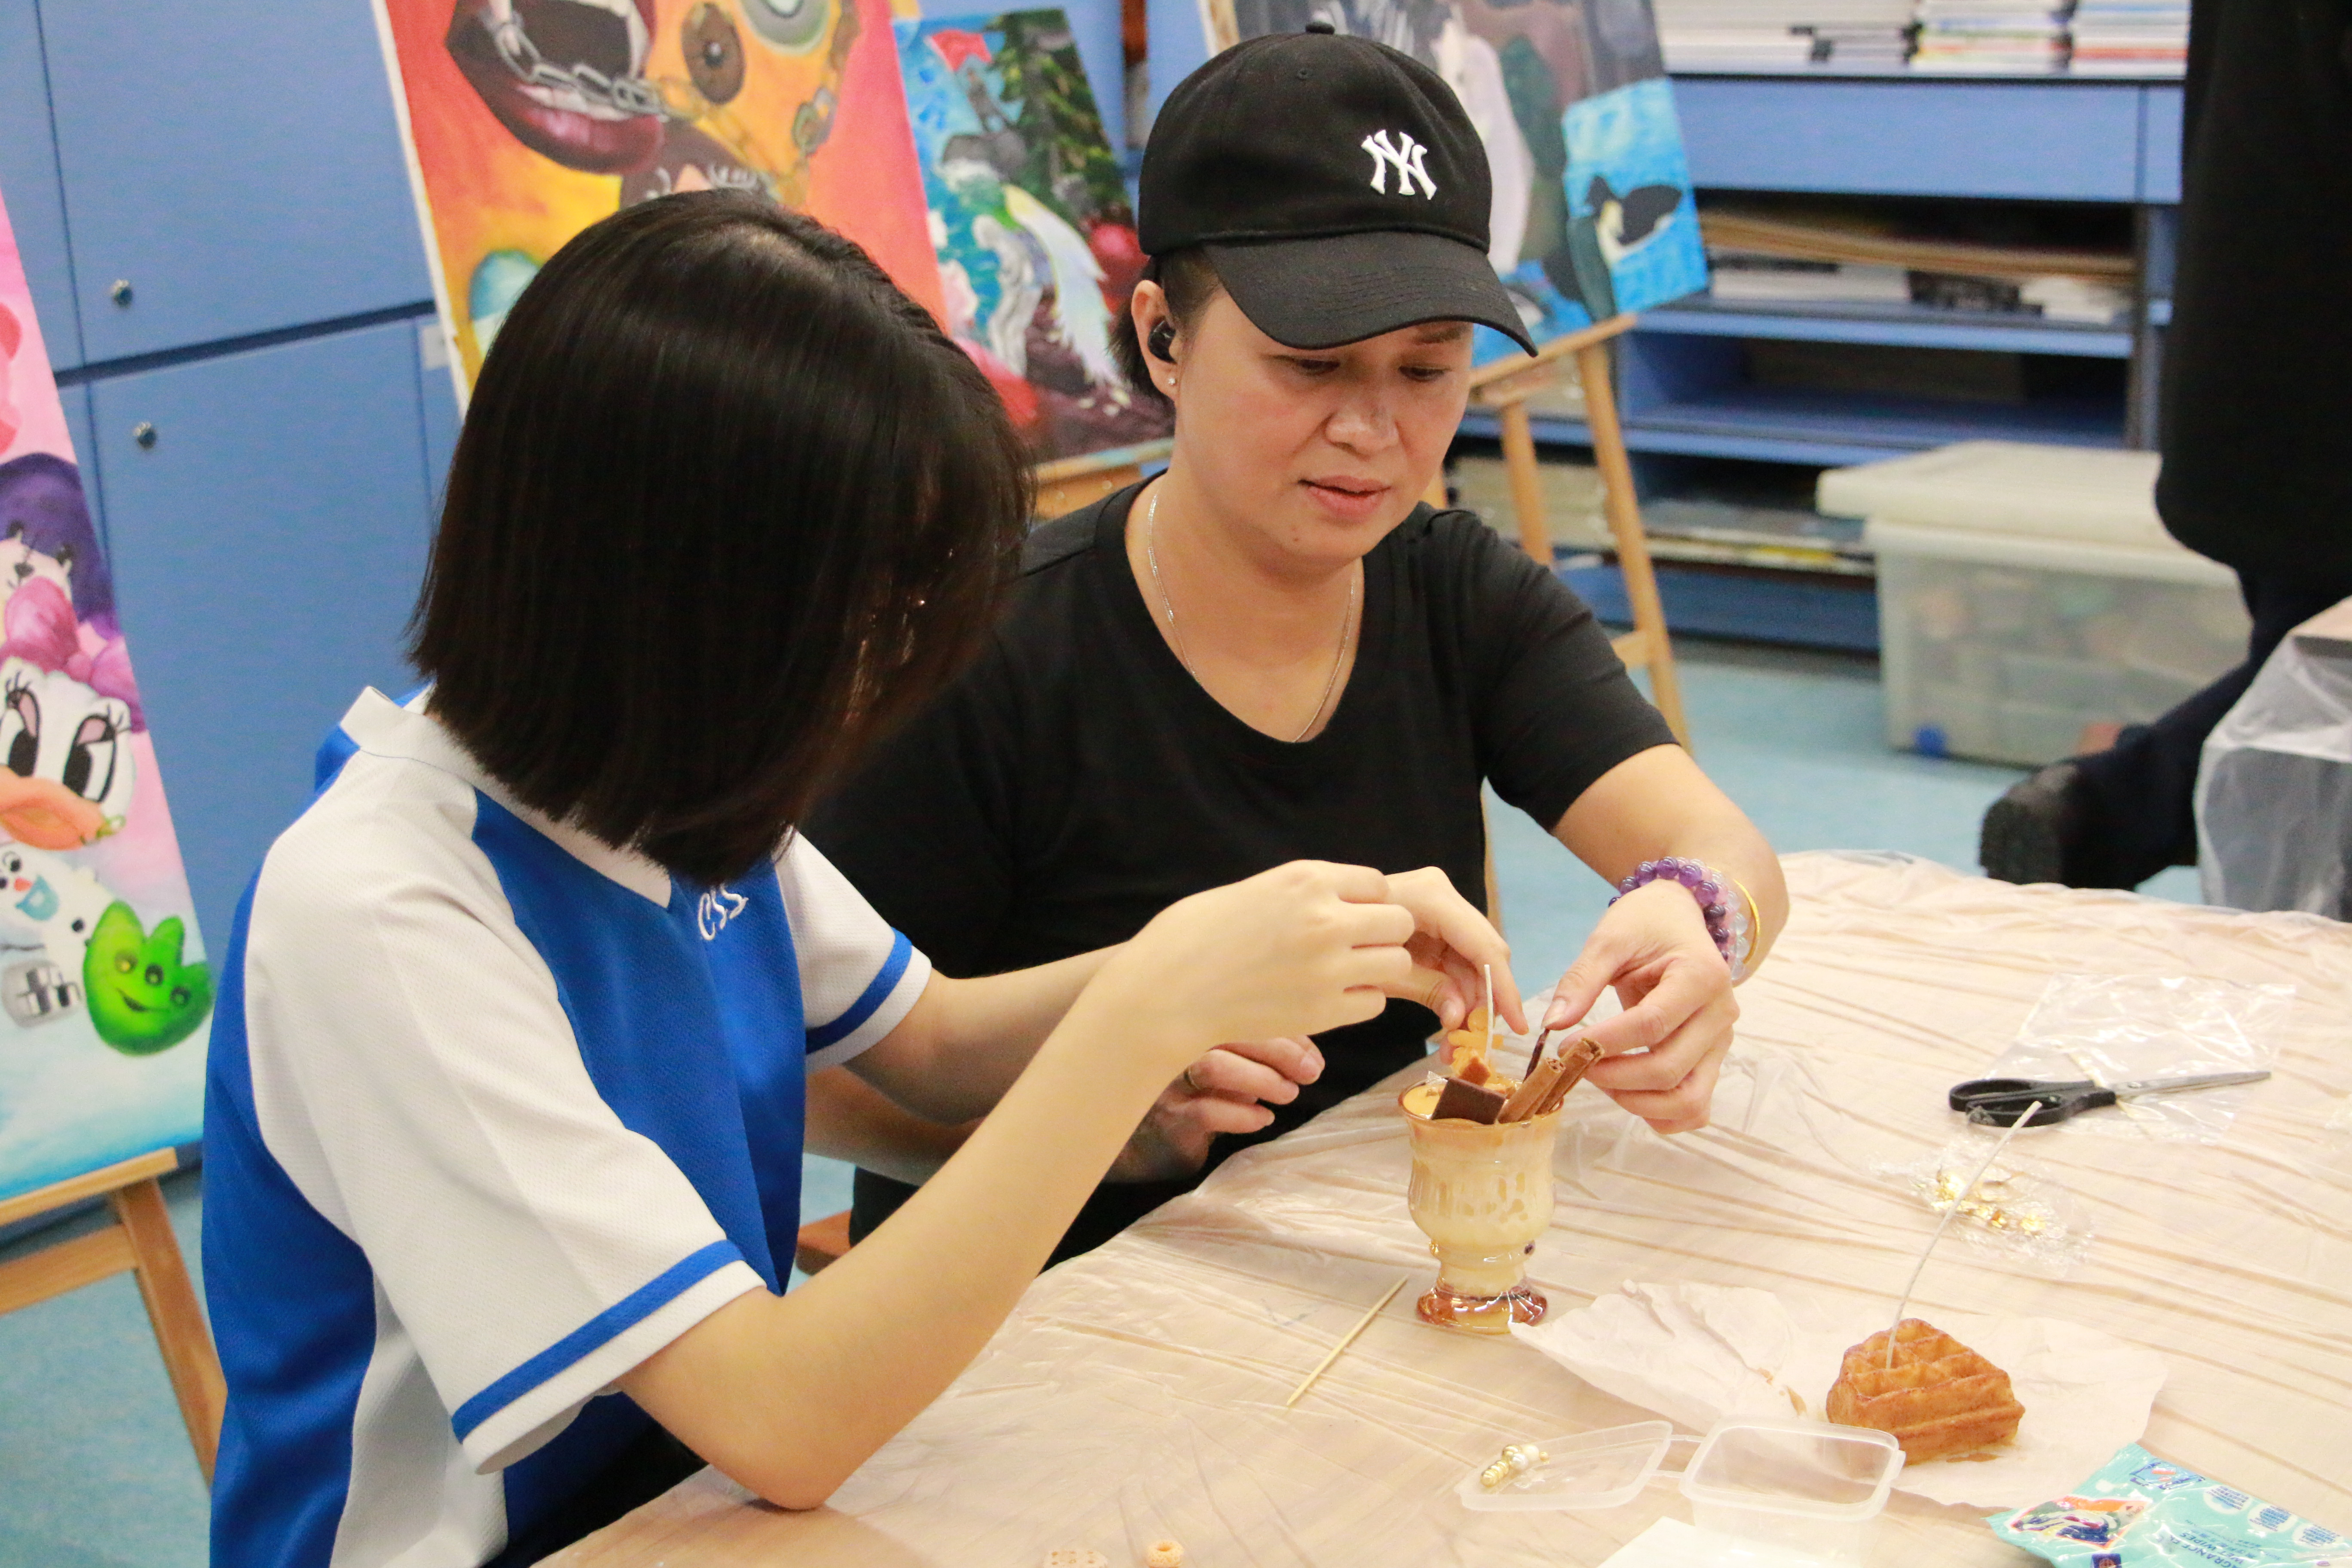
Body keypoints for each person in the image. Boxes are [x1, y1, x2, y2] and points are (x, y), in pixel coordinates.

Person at [200, 192, 1514, 1568]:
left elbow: (928, 1041)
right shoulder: (384, 913)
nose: (888, 668)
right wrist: (1145, 1014)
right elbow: (781, 1419)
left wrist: (1240, 946)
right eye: (863, 614)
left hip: (697, 1507)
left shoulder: (662, 772)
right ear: (671, 592)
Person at [805, 26, 1789, 1265]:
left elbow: (1726, 850)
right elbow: (808, 1076)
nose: (1373, 431)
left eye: (1427, 370)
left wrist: (1697, 917)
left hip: (1362, 1266)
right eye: (1311, 365)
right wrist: (1094, 1129)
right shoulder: (983, 651)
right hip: (1053, 1295)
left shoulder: (1455, 590)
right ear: (1162, 336)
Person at [1978, 0, 2352, 888]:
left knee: (2309, 680)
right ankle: (2119, 812)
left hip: (2267, 380)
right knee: (2319, 702)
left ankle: (2107, 810)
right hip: (2322, 409)